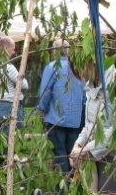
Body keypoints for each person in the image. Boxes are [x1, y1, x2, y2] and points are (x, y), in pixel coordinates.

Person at [69, 62, 116, 194]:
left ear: (93, 63)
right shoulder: (90, 87)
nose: (79, 73)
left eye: (79, 66)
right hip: (93, 158)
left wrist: (87, 149)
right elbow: (89, 125)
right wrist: (78, 145)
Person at [37, 39, 84, 175]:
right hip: (75, 121)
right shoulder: (77, 67)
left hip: (55, 120)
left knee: (59, 156)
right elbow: (84, 93)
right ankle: (74, 186)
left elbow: (46, 91)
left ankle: (62, 189)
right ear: (68, 51)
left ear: (54, 51)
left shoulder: (52, 67)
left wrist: (41, 109)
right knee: (73, 156)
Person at [0, 36, 28, 137]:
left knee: (3, 136)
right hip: (9, 105)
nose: (14, 52)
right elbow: (24, 84)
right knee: (12, 138)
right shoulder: (7, 66)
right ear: (6, 48)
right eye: (13, 48)